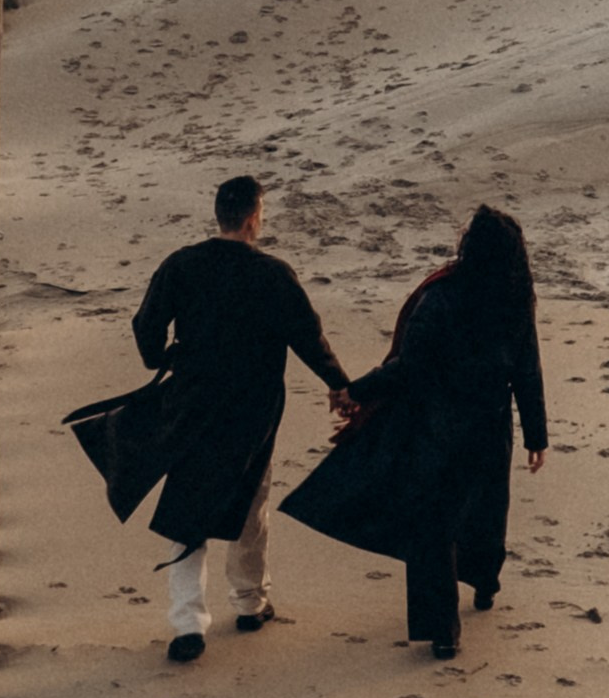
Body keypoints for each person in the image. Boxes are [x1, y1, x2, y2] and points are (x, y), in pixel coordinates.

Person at [64, 174, 348, 665]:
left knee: (188, 506)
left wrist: (158, 358)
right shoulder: (274, 274)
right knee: (250, 499)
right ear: (255, 217)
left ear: (219, 215)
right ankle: (250, 602)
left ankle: (186, 625)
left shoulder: (182, 265)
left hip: (191, 404)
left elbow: (146, 324)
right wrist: (340, 385)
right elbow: (308, 337)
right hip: (253, 409)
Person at [281, 205, 548, 661]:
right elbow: (527, 368)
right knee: (487, 507)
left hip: (439, 428)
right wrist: (536, 435)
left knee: (434, 524)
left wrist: (356, 390)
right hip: (490, 427)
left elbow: (410, 367)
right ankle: (485, 585)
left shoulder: (441, 296)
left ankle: (443, 632)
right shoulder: (516, 297)